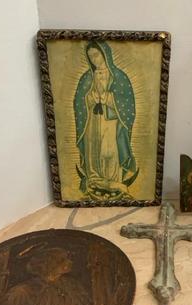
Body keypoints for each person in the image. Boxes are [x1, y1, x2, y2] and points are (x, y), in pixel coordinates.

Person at [74, 40, 138, 200]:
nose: (94, 59)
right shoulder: (86, 77)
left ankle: (113, 181)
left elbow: (127, 102)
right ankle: (94, 180)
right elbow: (78, 102)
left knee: (109, 151)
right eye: (90, 56)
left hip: (111, 122)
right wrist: (90, 98)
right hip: (92, 121)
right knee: (93, 149)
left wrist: (108, 98)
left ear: (105, 54)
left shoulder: (119, 76)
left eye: (96, 55)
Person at [0, 247, 92, 305]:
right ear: (49, 263)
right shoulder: (21, 291)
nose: (69, 262)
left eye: (68, 258)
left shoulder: (72, 285)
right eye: (62, 259)